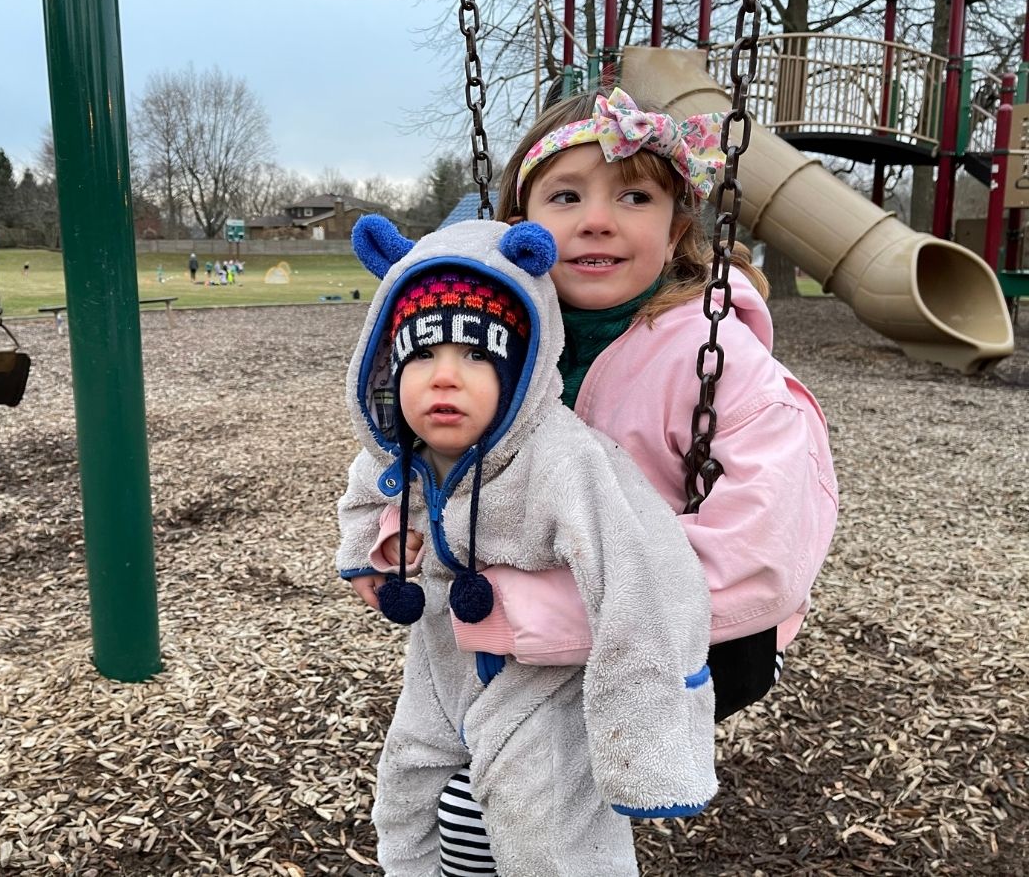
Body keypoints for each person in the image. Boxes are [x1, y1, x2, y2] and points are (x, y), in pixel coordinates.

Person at [338, 88, 839, 873]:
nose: (597, 220)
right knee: (425, 788)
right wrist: (385, 539)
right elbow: (415, 448)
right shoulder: (496, 333)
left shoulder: (722, 360)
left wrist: (527, 608)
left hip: (684, 626)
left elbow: (764, 554)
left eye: (633, 195)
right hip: (503, 617)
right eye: (566, 196)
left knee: (514, 810)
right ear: (521, 227)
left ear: (677, 226)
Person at [339, 213, 718, 874]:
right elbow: (366, 492)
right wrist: (362, 554)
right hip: (439, 658)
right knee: (403, 790)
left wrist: (646, 739)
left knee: (542, 822)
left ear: (519, 376)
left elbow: (640, 577)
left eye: (477, 356)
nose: (444, 378)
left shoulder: (564, 461)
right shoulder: (399, 447)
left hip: (539, 681)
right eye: (421, 355)